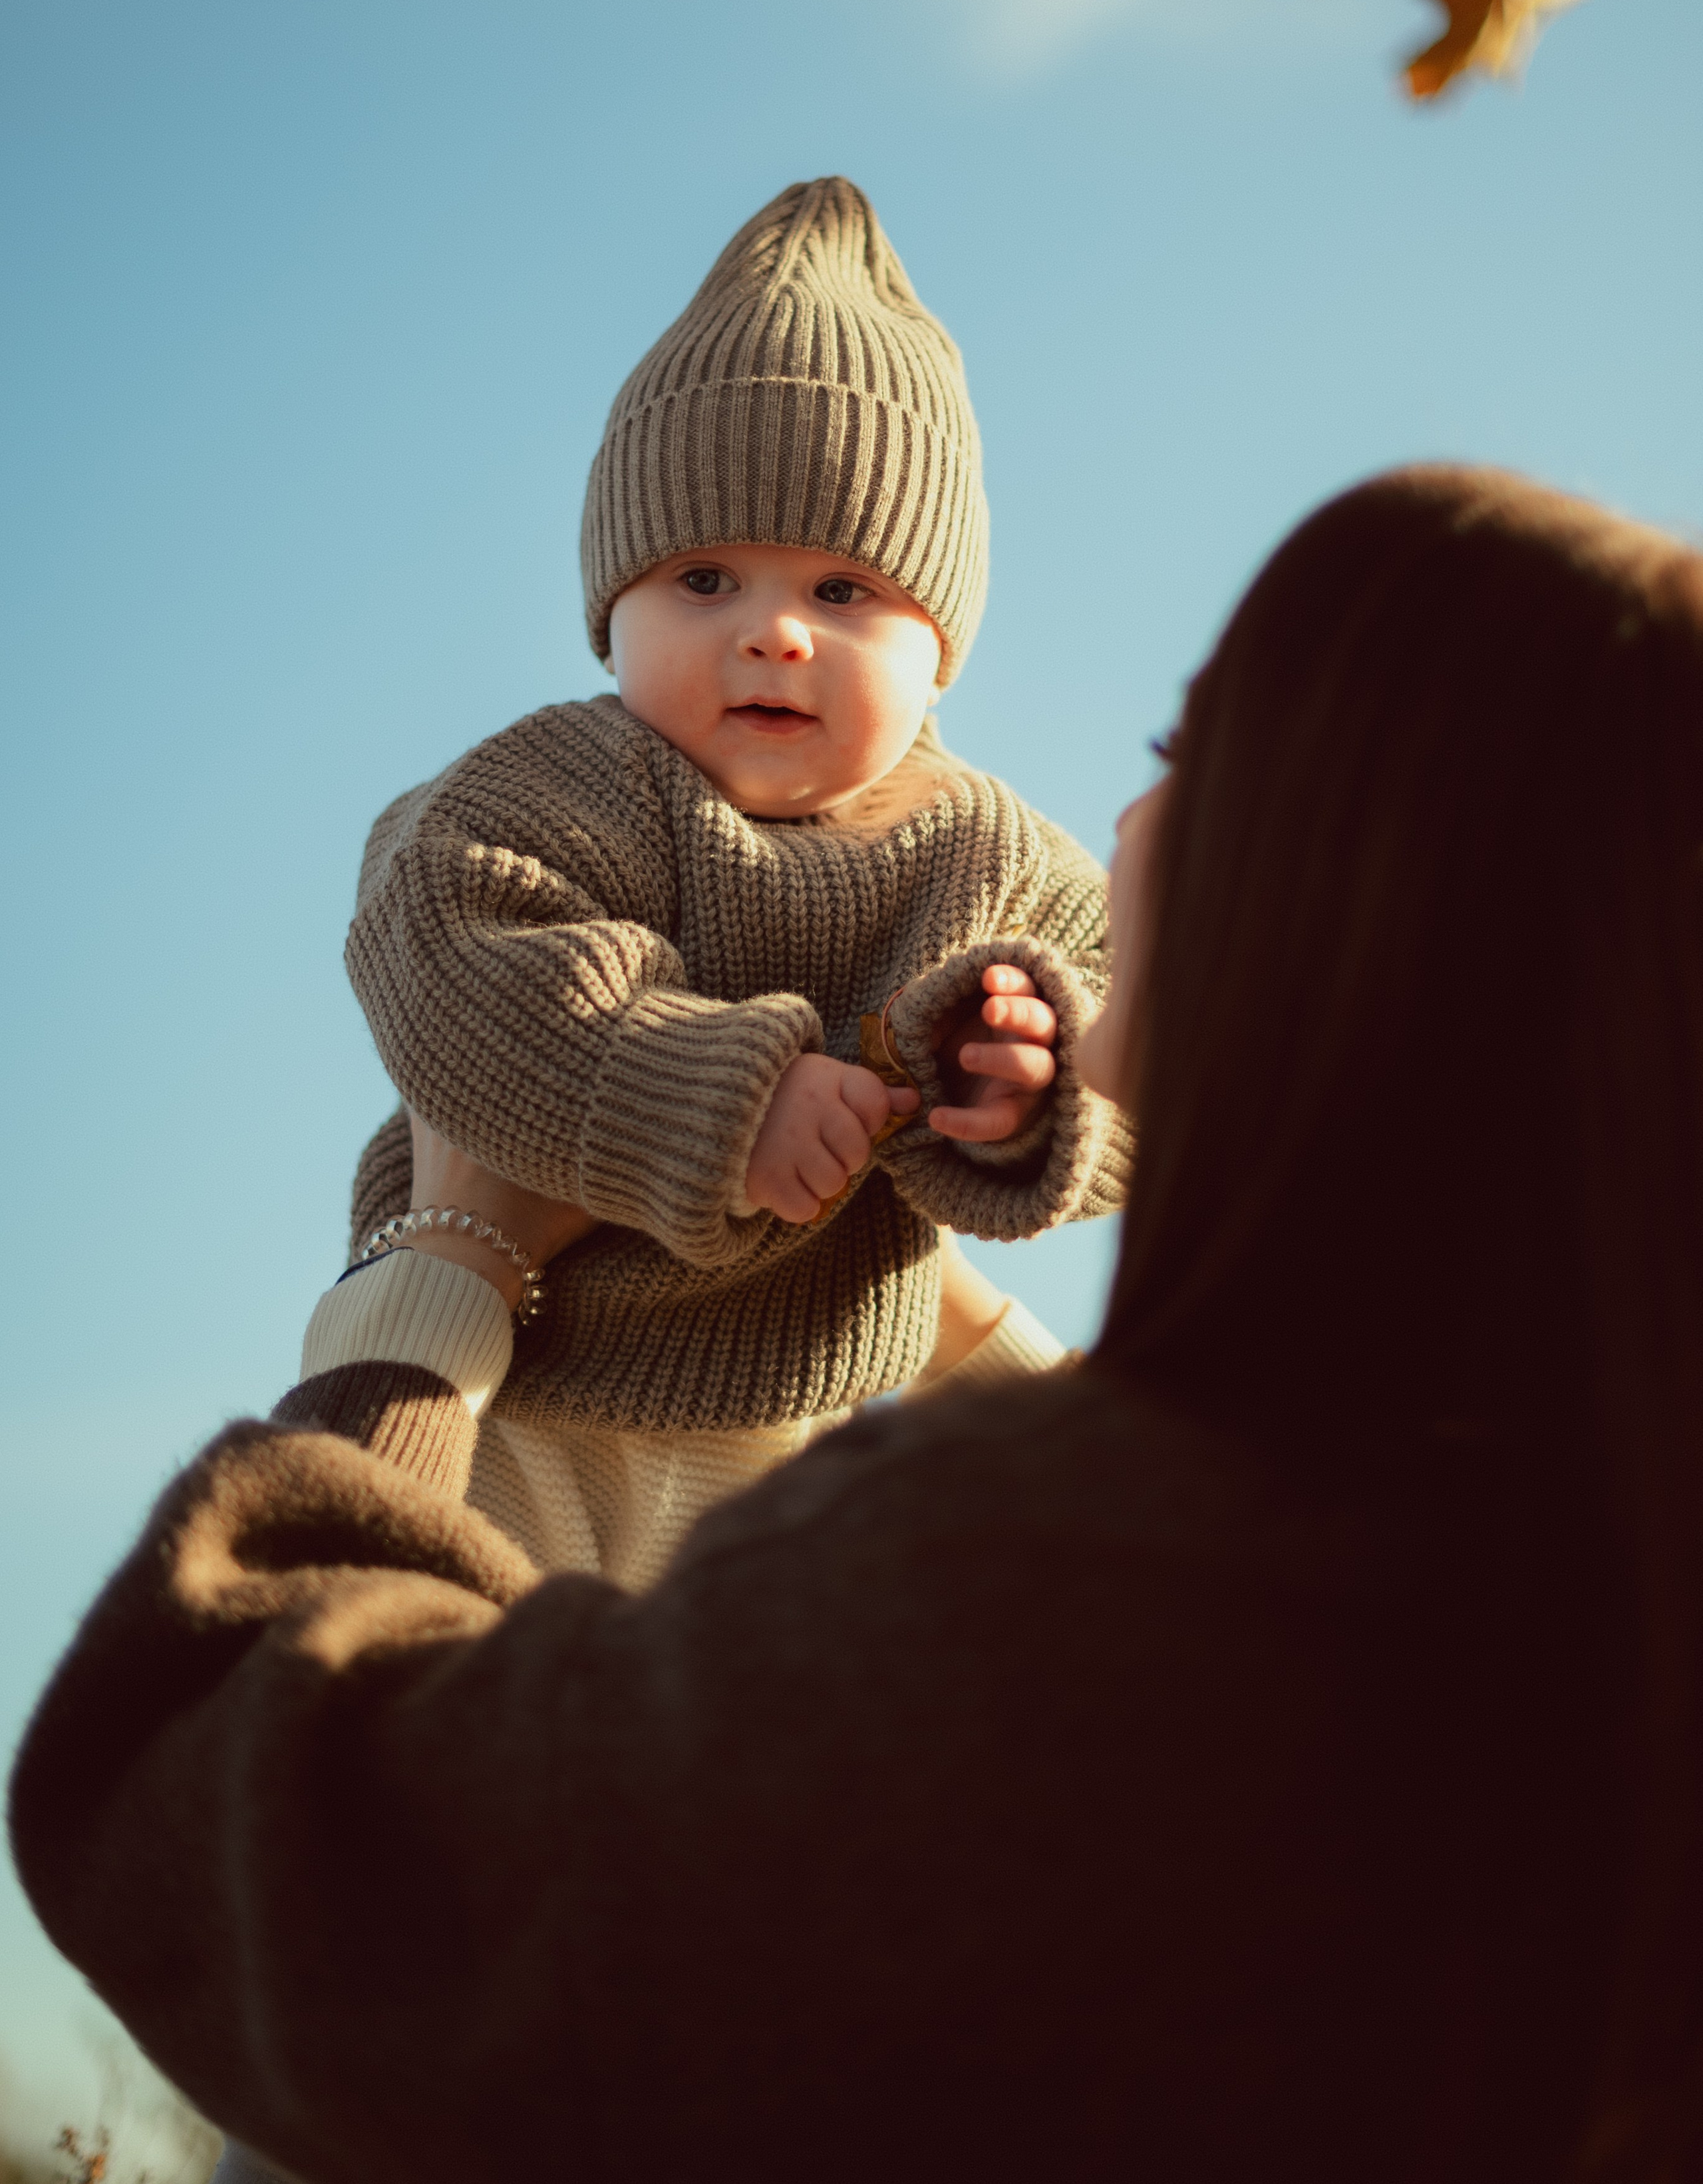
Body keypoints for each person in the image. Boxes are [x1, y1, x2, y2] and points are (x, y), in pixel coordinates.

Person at [15, 463, 1703, 2181]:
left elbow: (274, 1848)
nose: (1119, 825)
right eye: (705, 576)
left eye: (1187, 756)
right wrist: (928, 1296)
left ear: (1341, 878)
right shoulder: (1566, 1594)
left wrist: (447, 1263)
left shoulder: (1049, 1596)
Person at [334, 173, 1128, 1589]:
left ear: (939, 644)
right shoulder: (560, 784)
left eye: (841, 593)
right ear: (608, 615)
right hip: (523, 1389)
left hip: (819, 1423)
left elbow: (1137, 1048)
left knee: (768, 1758)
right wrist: (723, 1091)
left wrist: (1019, 1092)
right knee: (491, 1721)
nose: (771, 633)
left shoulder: (986, 852)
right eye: (702, 578)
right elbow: (447, 955)